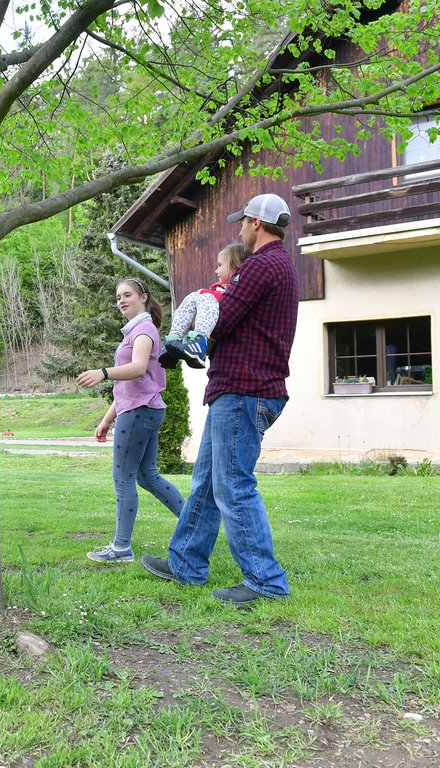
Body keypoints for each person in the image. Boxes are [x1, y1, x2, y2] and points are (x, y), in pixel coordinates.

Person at [141, 193, 299, 607]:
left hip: (245, 390)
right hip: (239, 389)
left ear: (257, 224)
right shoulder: (277, 265)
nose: (240, 230)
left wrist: (194, 328)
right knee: (208, 483)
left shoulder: (261, 265)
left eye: (243, 222)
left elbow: (222, 320)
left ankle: (266, 581)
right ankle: (186, 565)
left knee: (233, 487)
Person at [76, 277, 185, 564]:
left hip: (139, 412)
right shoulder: (135, 330)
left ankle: (121, 548)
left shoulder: (144, 330)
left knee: (123, 478)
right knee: (147, 475)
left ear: (143, 297)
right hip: (141, 409)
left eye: (127, 295)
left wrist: (103, 371)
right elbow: (130, 388)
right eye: (118, 297)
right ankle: (196, 526)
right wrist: (106, 420)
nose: (121, 301)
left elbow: (136, 369)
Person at [158, 242, 247, 369]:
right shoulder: (219, 288)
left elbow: (227, 301)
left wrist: (204, 293)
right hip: (214, 335)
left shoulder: (238, 287)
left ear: (234, 266)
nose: (216, 271)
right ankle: (174, 339)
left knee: (204, 296)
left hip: (218, 338)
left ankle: (199, 342)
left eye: (220, 265)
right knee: (192, 297)